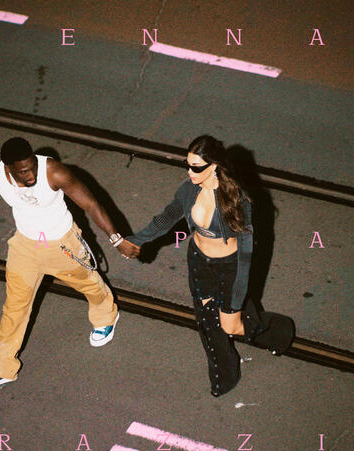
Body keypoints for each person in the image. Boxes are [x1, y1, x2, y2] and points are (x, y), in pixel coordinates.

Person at [126, 135, 294, 397]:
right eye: (187, 164)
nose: (189, 172)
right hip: (199, 262)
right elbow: (167, 218)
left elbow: (246, 253)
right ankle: (224, 377)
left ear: (214, 166)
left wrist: (237, 297)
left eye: (196, 167)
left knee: (231, 326)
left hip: (229, 267)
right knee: (207, 322)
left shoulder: (236, 199)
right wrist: (137, 240)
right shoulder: (189, 190)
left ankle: (278, 331)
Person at [0, 137, 140, 389]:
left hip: (62, 243)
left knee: (88, 284)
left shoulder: (53, 171)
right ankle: (3, 367)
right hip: (25, 247)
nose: (31, 174)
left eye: (32, 166)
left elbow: (90, 203)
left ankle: (106, 315)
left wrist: (116, 239)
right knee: (14, 307)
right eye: (23, 171)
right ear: (8, 168)